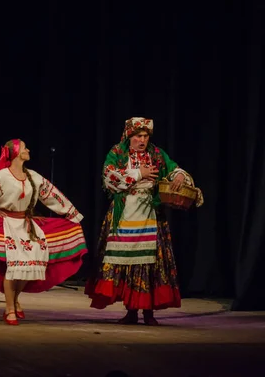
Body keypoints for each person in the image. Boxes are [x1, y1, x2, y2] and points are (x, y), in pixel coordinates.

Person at [0, 139, 87, 325]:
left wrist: (71, 213)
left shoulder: (33, 177)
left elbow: (52, 195)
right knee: (13, 268)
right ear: (15, 153)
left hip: (27, 226)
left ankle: (14, 300)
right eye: (24, 148)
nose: (28, 149)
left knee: (28, 268)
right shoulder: (2, 177)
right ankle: (9, 309)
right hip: (8, 225)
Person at [84, 117, 204, 325]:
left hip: (150, 211)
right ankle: (131, 311)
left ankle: (148, 312)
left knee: (149, 263)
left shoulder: (156, 154)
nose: (142, 140)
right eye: (138, 136)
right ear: (129, 136)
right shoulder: (118, 153)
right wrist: (140, 173)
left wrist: (179, 177)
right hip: (125, 211)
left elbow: (173, 167)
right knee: (126, 262)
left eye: (145, 136)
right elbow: (109, 177)